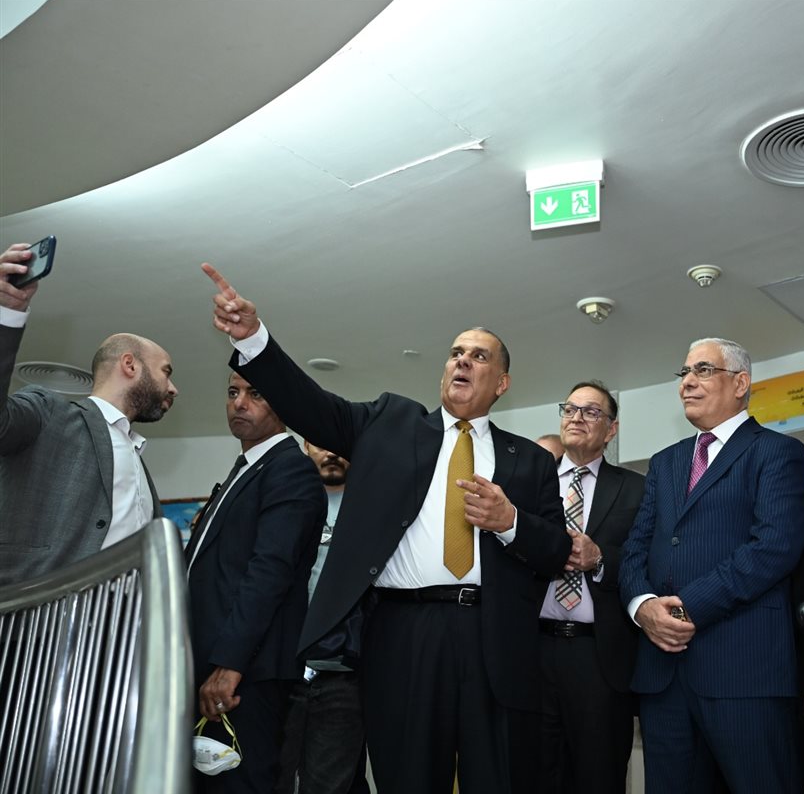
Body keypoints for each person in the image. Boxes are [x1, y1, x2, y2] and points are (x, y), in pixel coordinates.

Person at [201, 264, 571, 794]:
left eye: (479, 356)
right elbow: (310, 405)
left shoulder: (530, 460)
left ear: (503, 382)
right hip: (403, 630)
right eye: (456, 353)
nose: (462, 360)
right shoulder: (390, 423)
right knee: (408, 775)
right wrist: (254, 340)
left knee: (500, 776)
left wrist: (510, 522)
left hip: (494, 633)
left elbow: (556, 550)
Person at [619, 337, 804, 793]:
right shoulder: (664, 463)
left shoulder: (778, 452)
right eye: (684, 372)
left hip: (744, 671)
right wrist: (643, 607)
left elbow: (774, 548)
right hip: (664, 677)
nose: (687, 382)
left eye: (703, 370)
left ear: (740, 383)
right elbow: (634, 549)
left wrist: (687, 608)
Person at [1, 243, 177, 586]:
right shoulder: (48, 412)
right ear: (130, 365)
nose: (173, 389)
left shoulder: (136, 456)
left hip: (124, 616)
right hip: (40, 609)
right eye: (166, 372)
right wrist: (6, 315)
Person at [186, 372, 326, 793]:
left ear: (282, 404)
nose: (239, 403)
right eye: (233, 392)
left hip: (246, 673)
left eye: (256, 393)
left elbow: (270, 572)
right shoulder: (246, 469)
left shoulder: (290, 468)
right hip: (213, 665)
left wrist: (229, 666)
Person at [538, 381, 644, 794]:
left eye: (591, 411)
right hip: (533, 652)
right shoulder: (531, 482)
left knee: (599, 777)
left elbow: (645, 562)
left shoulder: (636, 487)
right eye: (570, 409)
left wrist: (600, 559)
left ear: (611, 429)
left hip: (599, 658)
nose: (577, 417)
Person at [275, 442, 368, 794]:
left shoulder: (372, 508)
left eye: (338, 443)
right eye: (319, 443)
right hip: (283, 667)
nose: (331, 452)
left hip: (344, 671)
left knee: (330, 786)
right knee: (271, 779)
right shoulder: (287, 501)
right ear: (305, 446)